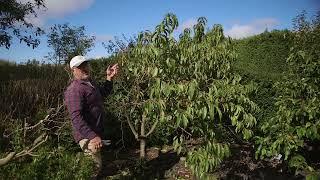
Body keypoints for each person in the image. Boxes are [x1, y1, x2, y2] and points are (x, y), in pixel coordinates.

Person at [64, 55, 118, 175]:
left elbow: (102, 94)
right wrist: (92, 136)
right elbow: (76, 118)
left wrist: (109, 78)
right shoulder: (74, 90)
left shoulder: (89, 83)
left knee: (95, 164)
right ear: (73, 70)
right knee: (94, 167)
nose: (84, 68)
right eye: (80, 67)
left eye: (85, 65)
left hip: (94, 132)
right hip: (86, 135)